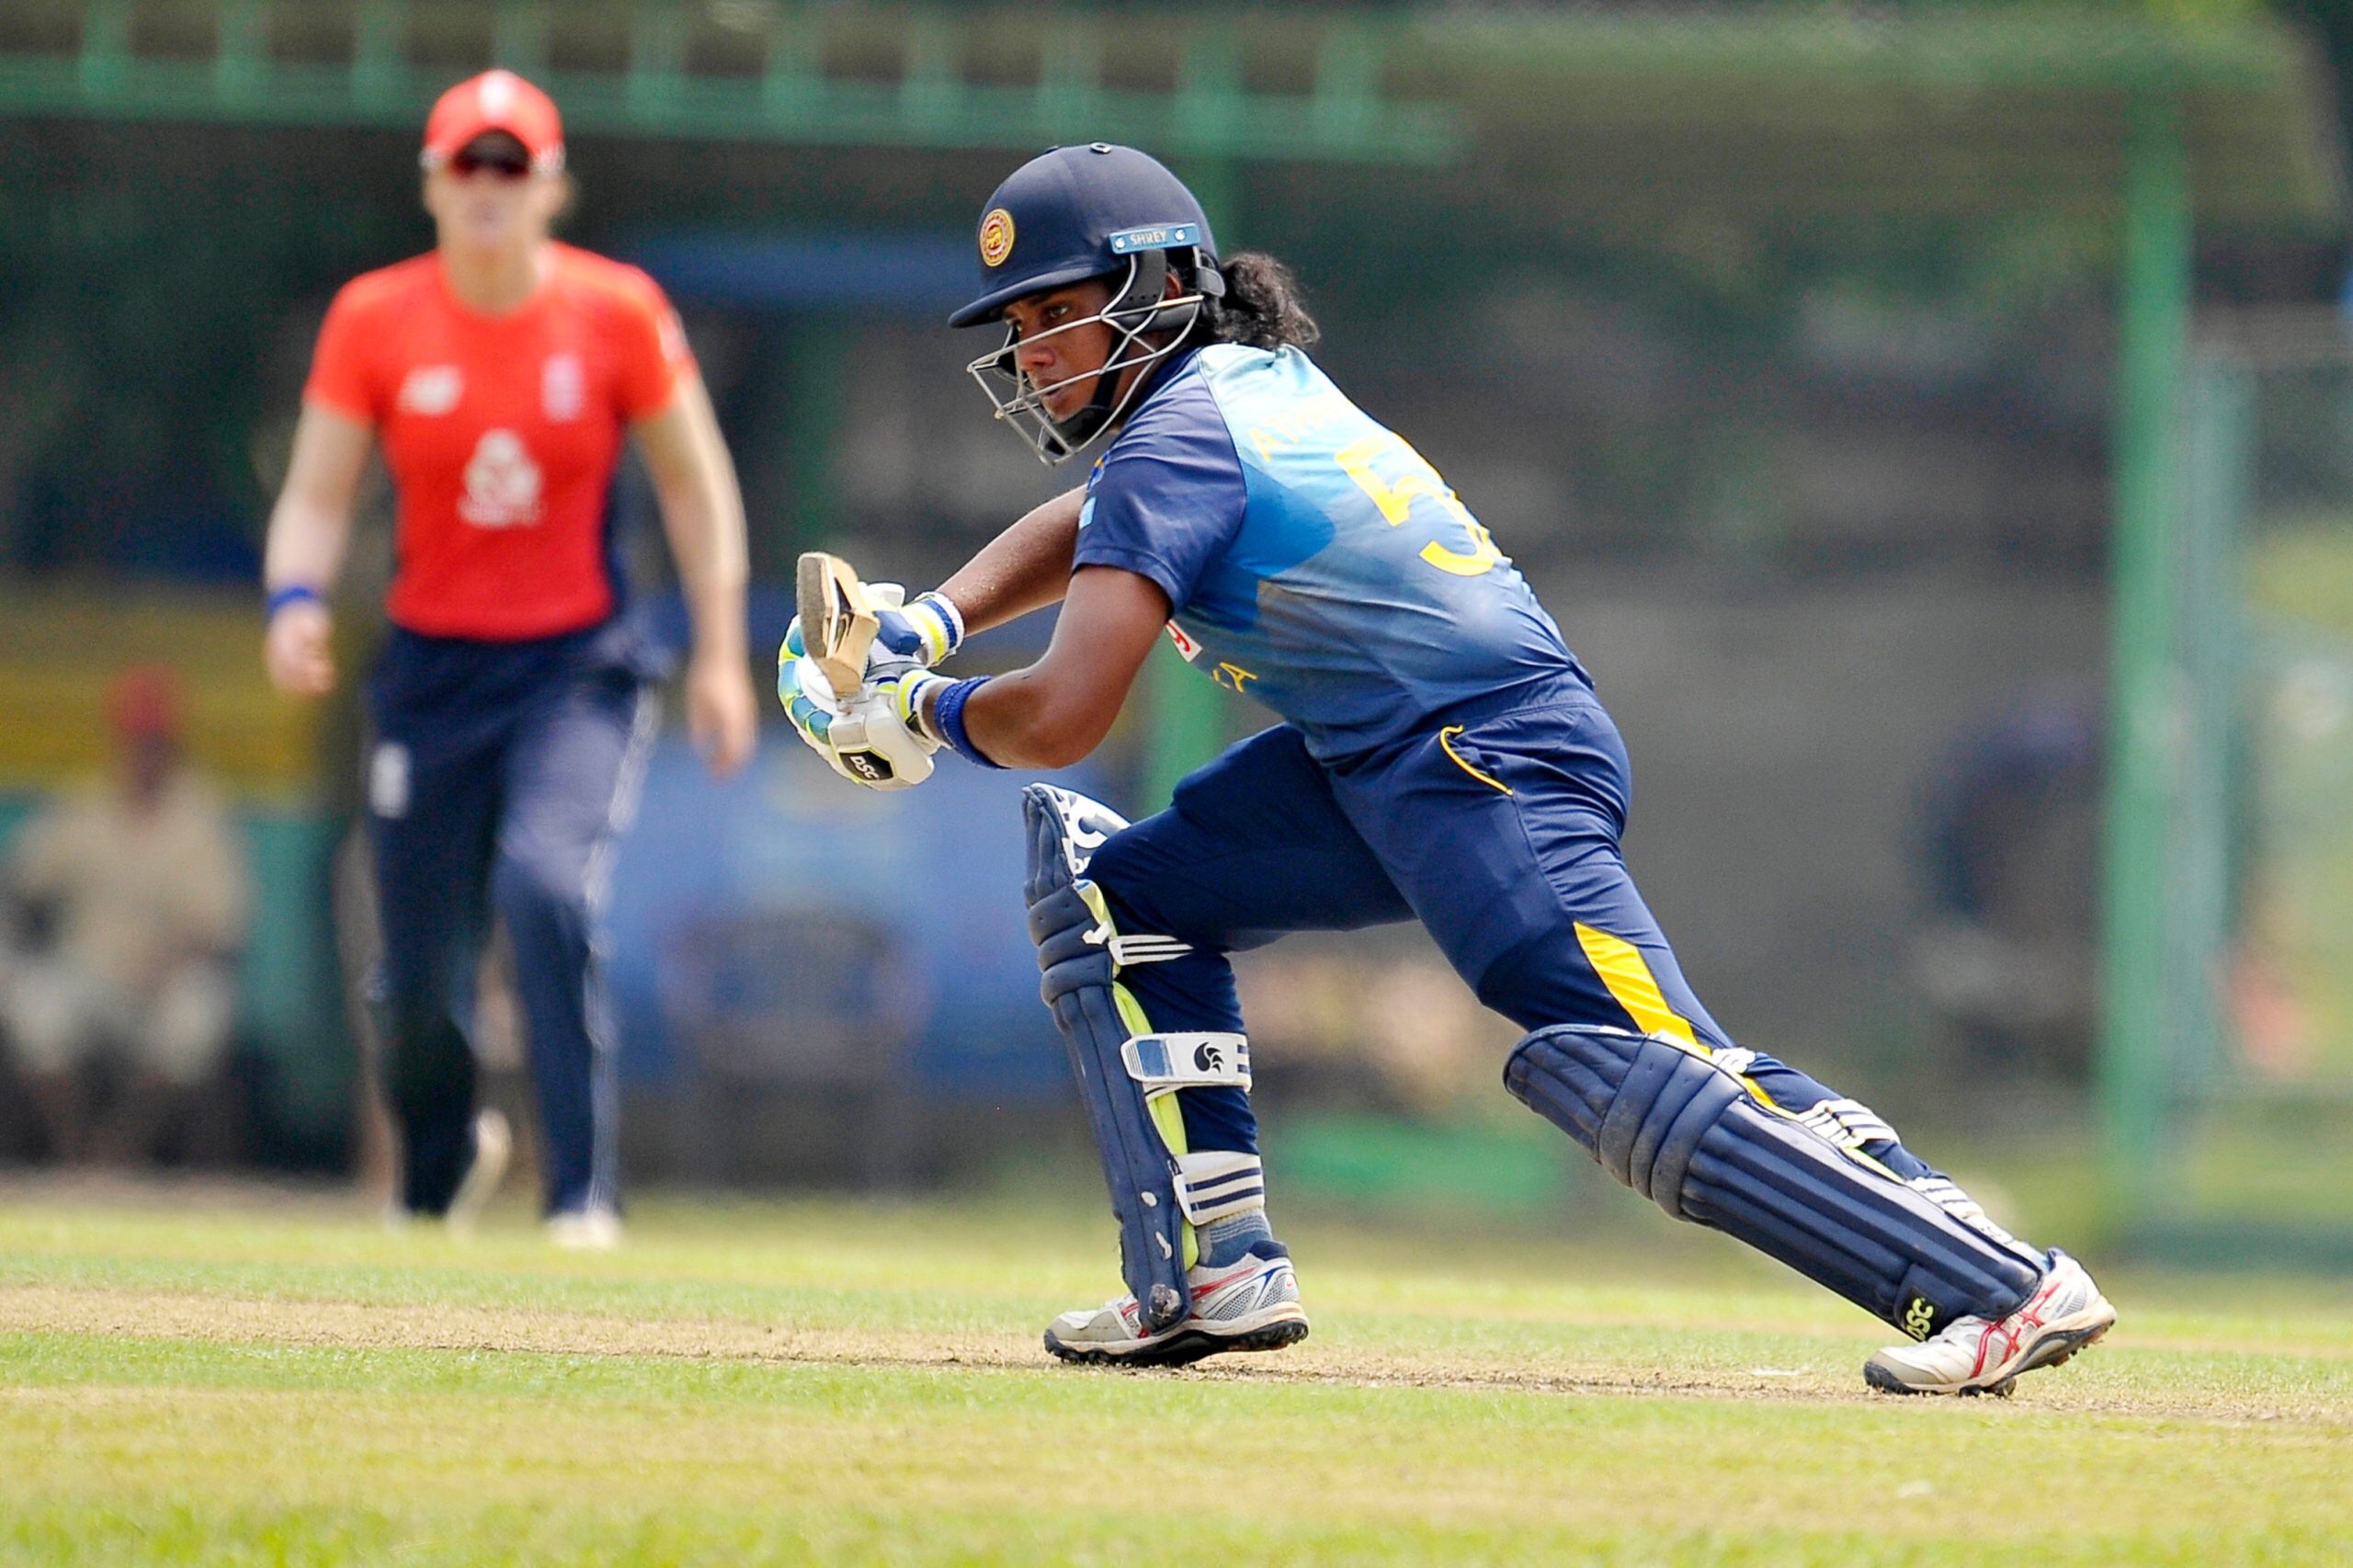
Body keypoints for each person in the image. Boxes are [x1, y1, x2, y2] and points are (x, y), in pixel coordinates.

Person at [780, 143, 2119, 1395]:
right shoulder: (1222, 397)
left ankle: (2002, 1278)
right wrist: (932, 621)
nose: (1028, 348)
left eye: (1051, 310)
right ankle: (1215, 1271)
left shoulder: (1186, 431)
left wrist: (927, 714)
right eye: (1013, 324)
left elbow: (1069, 712)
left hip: (1485, 756)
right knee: (1129, 897)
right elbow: (1090, 523)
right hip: (1376, 759)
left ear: (1155, 288)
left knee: (1630, 1060)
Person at [263, 70, 756, 1246]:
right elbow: (318, 493)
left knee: (545, 889)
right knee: (413, 971)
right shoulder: (374, 319)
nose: (488, 188)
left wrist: (723, 657)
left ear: (549, 189)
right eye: (467, 165)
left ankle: (583, 1191)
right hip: (429, 676)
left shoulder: (618, 310)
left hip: (574, 670)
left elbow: (695, 484)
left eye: (511, 166)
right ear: (433, 185)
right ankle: (438, 1164)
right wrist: (293, 598)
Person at [1, 668, 249, 1165]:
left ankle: (118, 1154)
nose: (145, 752)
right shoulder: (85, 804)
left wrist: (166, 960)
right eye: (137, 739)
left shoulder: (198, 815)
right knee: (32, 1000)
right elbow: (21, 885)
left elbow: (222, 926)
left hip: (162, 983)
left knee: (196, 1015)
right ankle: (72, 1152)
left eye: (155, 740)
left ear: (173, 743)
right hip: (89, 975)